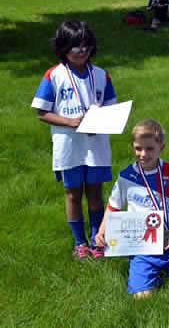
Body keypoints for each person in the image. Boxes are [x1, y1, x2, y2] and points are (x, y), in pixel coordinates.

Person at [31, 20, 116, 259]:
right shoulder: (54, 75)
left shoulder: (100, 75)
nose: (81, 50)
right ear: (63, 47)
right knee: (72, 193)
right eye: (74, 46)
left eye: (85, 45)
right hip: (68, 146)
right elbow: (42, 112)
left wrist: (99, 123)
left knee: (95, 193)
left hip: (96, 145)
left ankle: (97, 240)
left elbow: (111, 108)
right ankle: (80, 242)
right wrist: (70, 122)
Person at [95, 119, 169, 297]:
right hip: (140, 246)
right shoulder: (126, 176)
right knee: (142, 298)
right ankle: (149, 270)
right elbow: (113, 207)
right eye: (138, 148)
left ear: (162, 147)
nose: (143, 154)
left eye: (150, 148)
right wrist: (101, 231)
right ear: (132, 147)